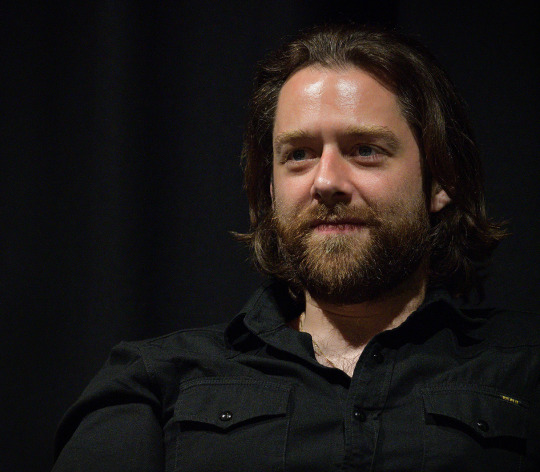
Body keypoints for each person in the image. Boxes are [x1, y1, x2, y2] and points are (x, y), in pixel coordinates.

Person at [52, 24, 540, 471]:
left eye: (365, 150)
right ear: (269, 189)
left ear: (441, 179)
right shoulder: (155, 380)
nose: (326, 181)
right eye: (299, 154)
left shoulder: (523, 370)